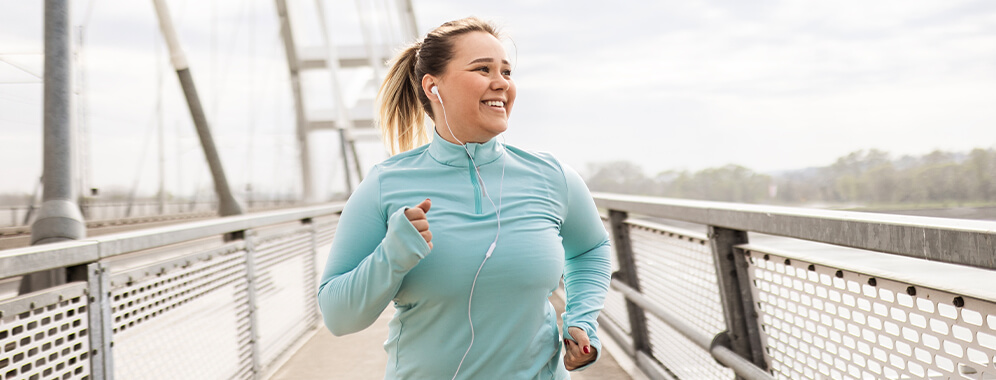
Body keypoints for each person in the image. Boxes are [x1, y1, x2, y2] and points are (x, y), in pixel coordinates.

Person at [317, 17, 611, 380]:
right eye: (483, 69)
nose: (501, 82)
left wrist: (581, 320)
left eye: (506, 71)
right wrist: (392, 256)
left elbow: (591, 249)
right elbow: (338, 318)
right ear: (432, 86)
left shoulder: (553, 177)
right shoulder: (384, 184)